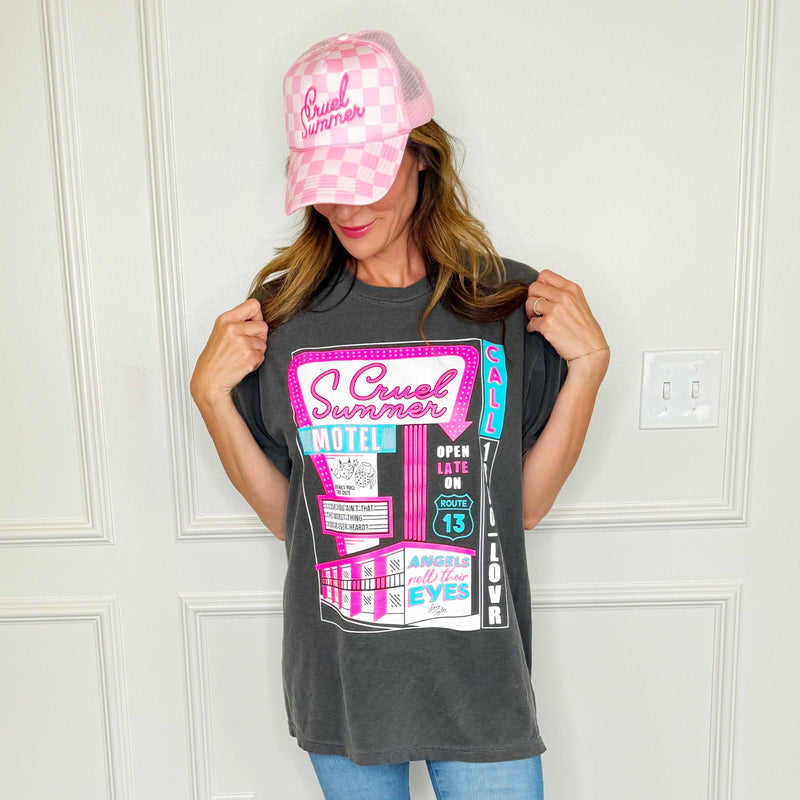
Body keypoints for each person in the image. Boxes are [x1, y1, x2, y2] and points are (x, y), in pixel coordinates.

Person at [191, 30, 609, 800]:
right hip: (343, 679)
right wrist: (212, 399)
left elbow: (523, 507)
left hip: (480, 682)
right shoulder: (282, 319)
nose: (346, 206)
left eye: (366, 174)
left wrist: (587, 368)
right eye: (327, 181)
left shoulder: (504, 305)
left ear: (421, 155)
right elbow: (296, 520)